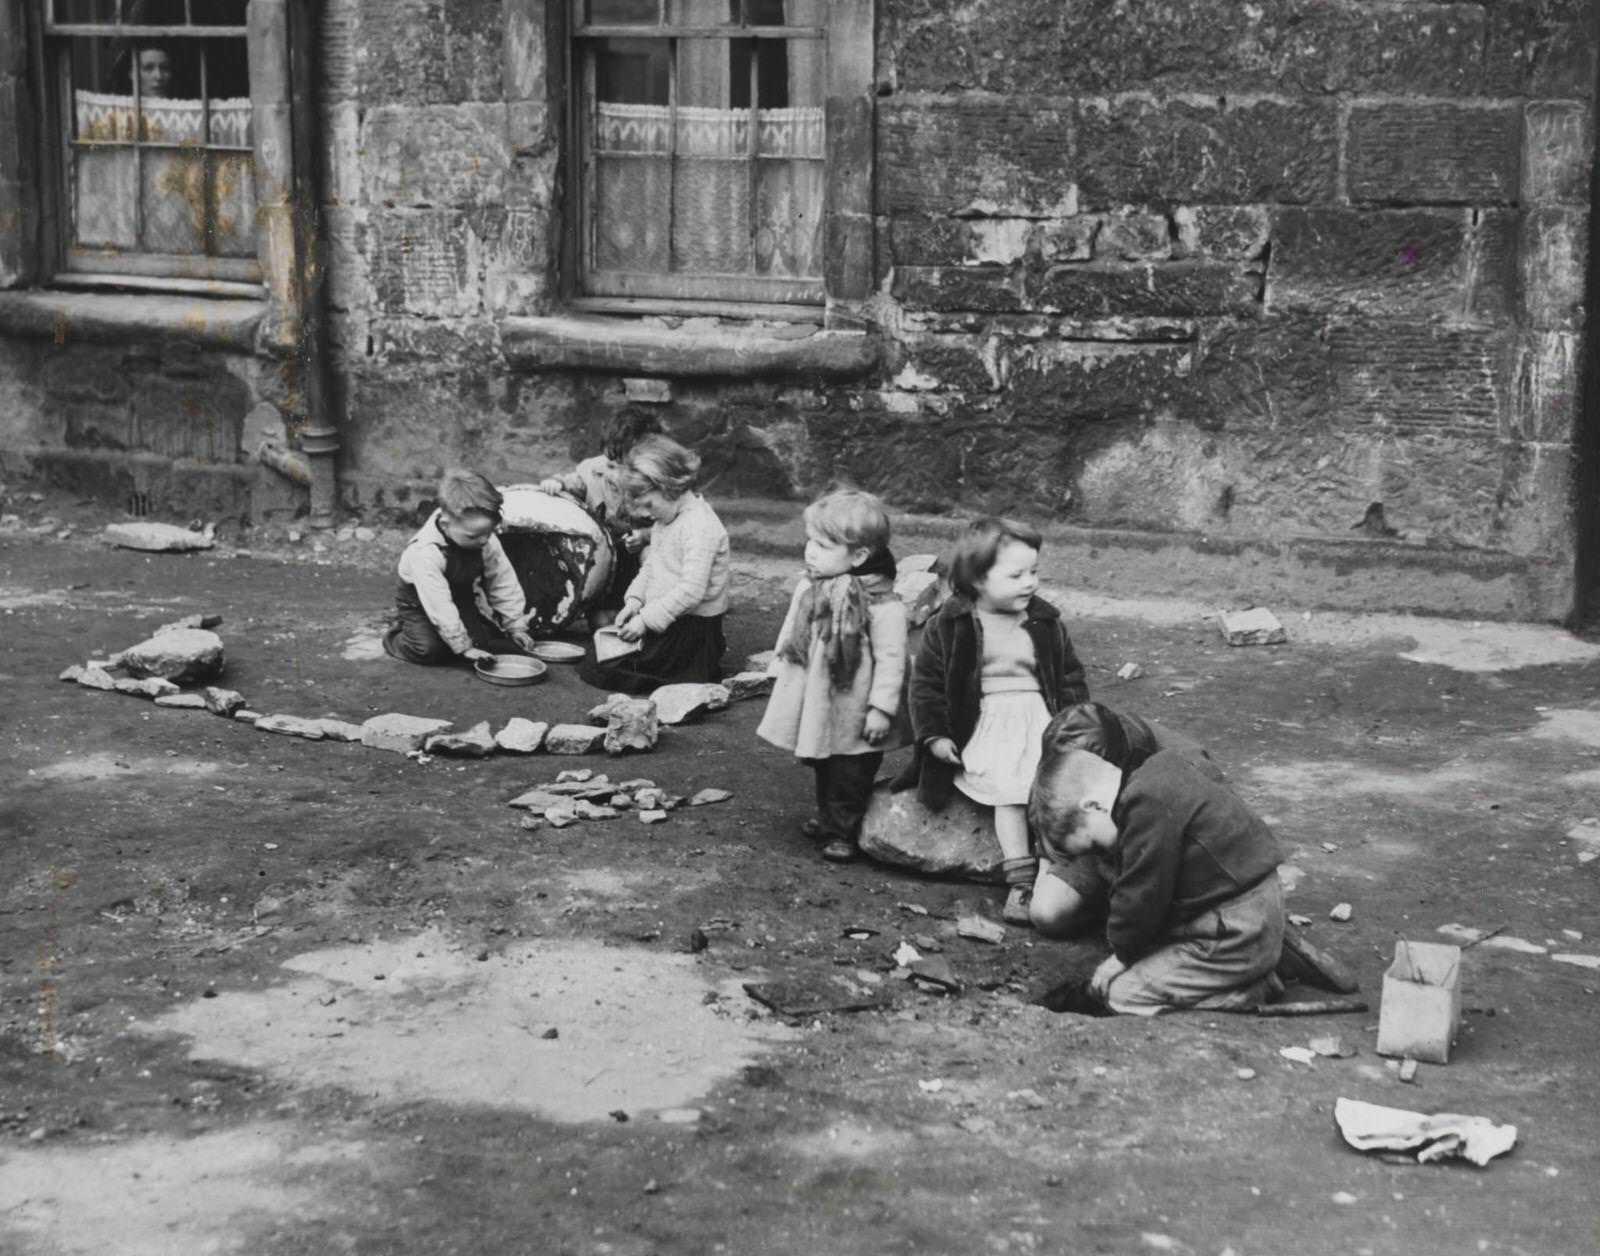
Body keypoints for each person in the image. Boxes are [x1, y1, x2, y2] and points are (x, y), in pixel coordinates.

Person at [895, 517, 1089, 924]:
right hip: (986, 721)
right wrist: (934, 735)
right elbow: (927, 685)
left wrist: (1076, 725)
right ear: (979, 579)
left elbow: (1069, 676)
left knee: (1051, 791)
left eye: (1034, 571)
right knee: (1010, 794)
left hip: (1038, 717)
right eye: (1016, 574)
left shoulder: (1045, 621)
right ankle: (1020, 880)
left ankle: (1057, 873)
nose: (1030, 582)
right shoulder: (950, 625)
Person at [1044, 746, 1287, 1015]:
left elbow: (1141, 895)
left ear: (1092, 806)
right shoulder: (1159, 770)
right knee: (1154, 948)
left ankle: (1244, 992)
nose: (1099, 855)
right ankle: (1247, 968)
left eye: (1092, 845)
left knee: (1121, 995)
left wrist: (1121, 956)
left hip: (1237, 928)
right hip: (1253, 905)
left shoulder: (1143, 805)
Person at [757, 489, 911, 864]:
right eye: (810, 540)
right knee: (825, 761)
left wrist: (880, 709)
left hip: (856, 706)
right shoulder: (816, 588)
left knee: (851, 770)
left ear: (858, 555)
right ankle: (829, 818)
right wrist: (781, 668)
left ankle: (844, 828)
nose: (811, 551)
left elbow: (893, 661)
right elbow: (795, 629)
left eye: (824, 546)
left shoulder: (881, 605)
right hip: (823, 700)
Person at [1027, 702, 1218, 936]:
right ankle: (1112, 908)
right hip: (1096, 841)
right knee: (1047, 913)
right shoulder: (1063, 743)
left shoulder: (1187, 765)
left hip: (1162, 855)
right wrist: (1046, 863)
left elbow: (1210, 846)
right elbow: (1048, 808)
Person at [577, 435, 728, 694]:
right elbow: (651, 567)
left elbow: (691, 591)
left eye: (648, 504)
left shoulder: (701, 527)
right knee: (598, 658)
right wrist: (634, 601)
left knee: (611, 670)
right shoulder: (665, 521)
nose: (645, 514)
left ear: (669, 486)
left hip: (692, 627)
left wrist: (645, 621)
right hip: (666, 616)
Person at [383, 469, 538, 666]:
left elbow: (502, 581)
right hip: (420, 601)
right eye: (473, 536)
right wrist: (463, 646)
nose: (484, 540)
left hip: (460, 595)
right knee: (429, 650)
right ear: (446, 524)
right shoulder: (425, 552)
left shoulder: (482, 538)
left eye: (488, 533)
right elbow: (438, 603)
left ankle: (452, 633)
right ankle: (398, 632)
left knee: (483, 644)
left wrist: (516, 626)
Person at [537, 406, 663, 628]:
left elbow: (669, 526)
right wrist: (558, 483)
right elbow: (575, 483)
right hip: (606, 550)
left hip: (638, 551)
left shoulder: (655, 482)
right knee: (601, 622)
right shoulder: (592, 469)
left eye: (624, 468)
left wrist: (644, 536)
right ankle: (605, 609)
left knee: (650, 561)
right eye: (610, 464)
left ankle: (651, 611)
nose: (613, 473)